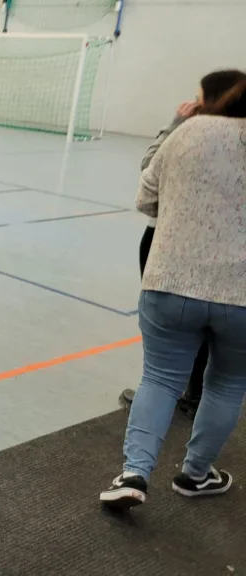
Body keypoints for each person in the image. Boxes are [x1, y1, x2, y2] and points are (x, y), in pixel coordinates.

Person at [100, 78, 246, 510]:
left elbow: (146, 200)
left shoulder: (188, 131)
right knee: (227, 383)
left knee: (160, 379)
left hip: (170, 282)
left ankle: (133, 475)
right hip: (240, 295)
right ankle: (195, 475)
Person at [117, 69, 246, 417]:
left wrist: (175, 124)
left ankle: (165, 390)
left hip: (170, 243)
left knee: (170, 330)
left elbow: (148, 175)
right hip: (231, 260)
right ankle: (197, 392)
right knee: (217, 336)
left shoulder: (188, 134)